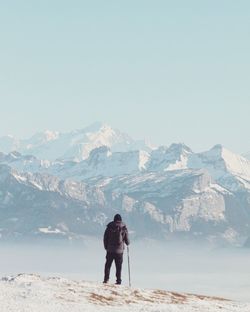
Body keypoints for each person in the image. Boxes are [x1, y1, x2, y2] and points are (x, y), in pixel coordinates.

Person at [103, 214, 130, 285]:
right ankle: (118, 281)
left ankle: (106, 279)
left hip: (110, 250)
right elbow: (127, 241)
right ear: (120, 220)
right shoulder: (123, 227)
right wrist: (127, 243)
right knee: (118, 266)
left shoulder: (109, 226)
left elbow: (105, 238)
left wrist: (106, 247)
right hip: (119, 251)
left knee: (108, 265)